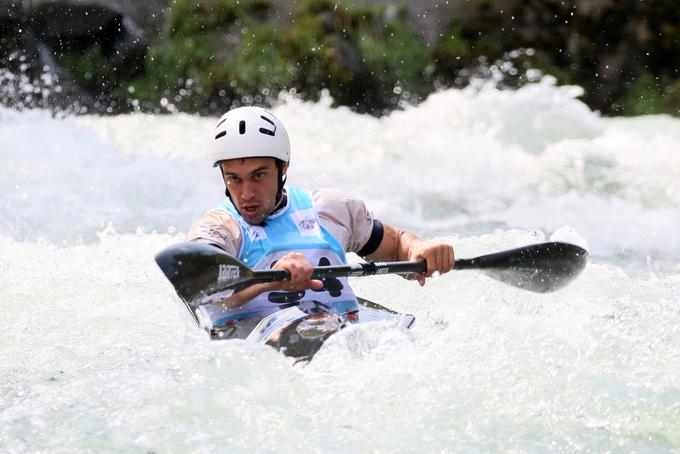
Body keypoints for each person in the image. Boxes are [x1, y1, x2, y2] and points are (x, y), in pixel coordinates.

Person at [187, 106, 454, 325]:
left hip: (339, 332)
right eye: (234, 178)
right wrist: (271, 280)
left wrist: (419, 248)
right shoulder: (218, 229)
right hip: (261, 342)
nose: (246, 193)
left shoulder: (331, 209)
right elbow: (199, 288)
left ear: (282, 168)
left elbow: (397, 246)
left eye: (258, 176)